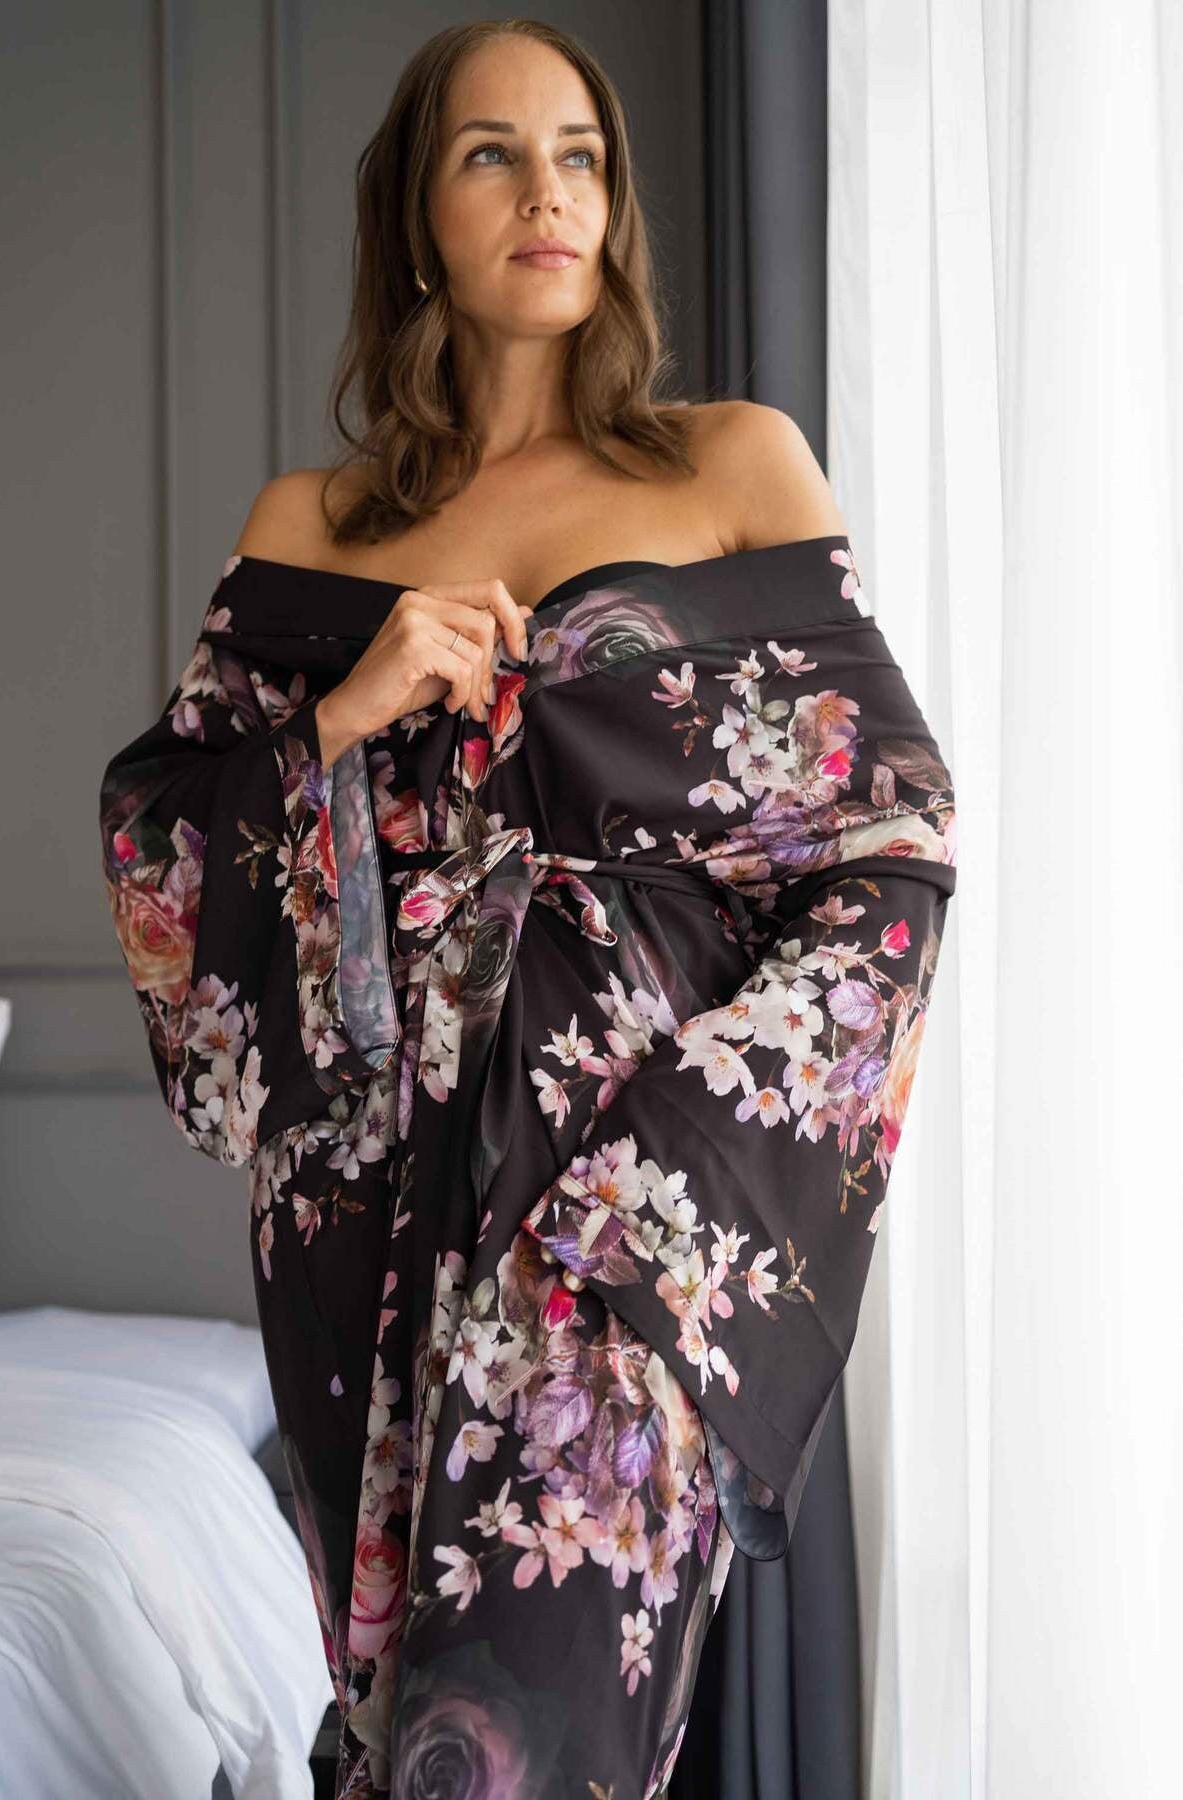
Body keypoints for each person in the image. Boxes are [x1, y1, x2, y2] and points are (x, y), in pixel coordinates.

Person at [99, 19, 957, 1799]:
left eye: (580, 156)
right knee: (397, 1725)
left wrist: (665, 1178)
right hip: (360, 1203)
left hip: (621, 1207)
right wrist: (345, 717)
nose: (547, 193)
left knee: (521, 1743)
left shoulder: (732, 467)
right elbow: (165, 867)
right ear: (419, 218)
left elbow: (889, 844)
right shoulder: (313, 524)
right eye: (491, 154)